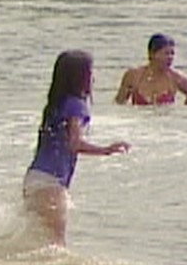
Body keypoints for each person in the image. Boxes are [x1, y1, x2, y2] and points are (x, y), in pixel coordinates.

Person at [24, 50, 130, 247]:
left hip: (34, 179)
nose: (94, 77)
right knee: (56, 245)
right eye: (91, 71)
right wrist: (106, 150)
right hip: (50, 183)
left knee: (38, 242)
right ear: (81, 77)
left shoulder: (55, 104)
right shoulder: (77, 106)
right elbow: (75, 143)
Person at [113, 33, 187, 106]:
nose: (170, 58)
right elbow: (119, 103)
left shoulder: (176, 78)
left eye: (172, 53)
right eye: (166, 53)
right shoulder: (133, 76)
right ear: (152, 54)